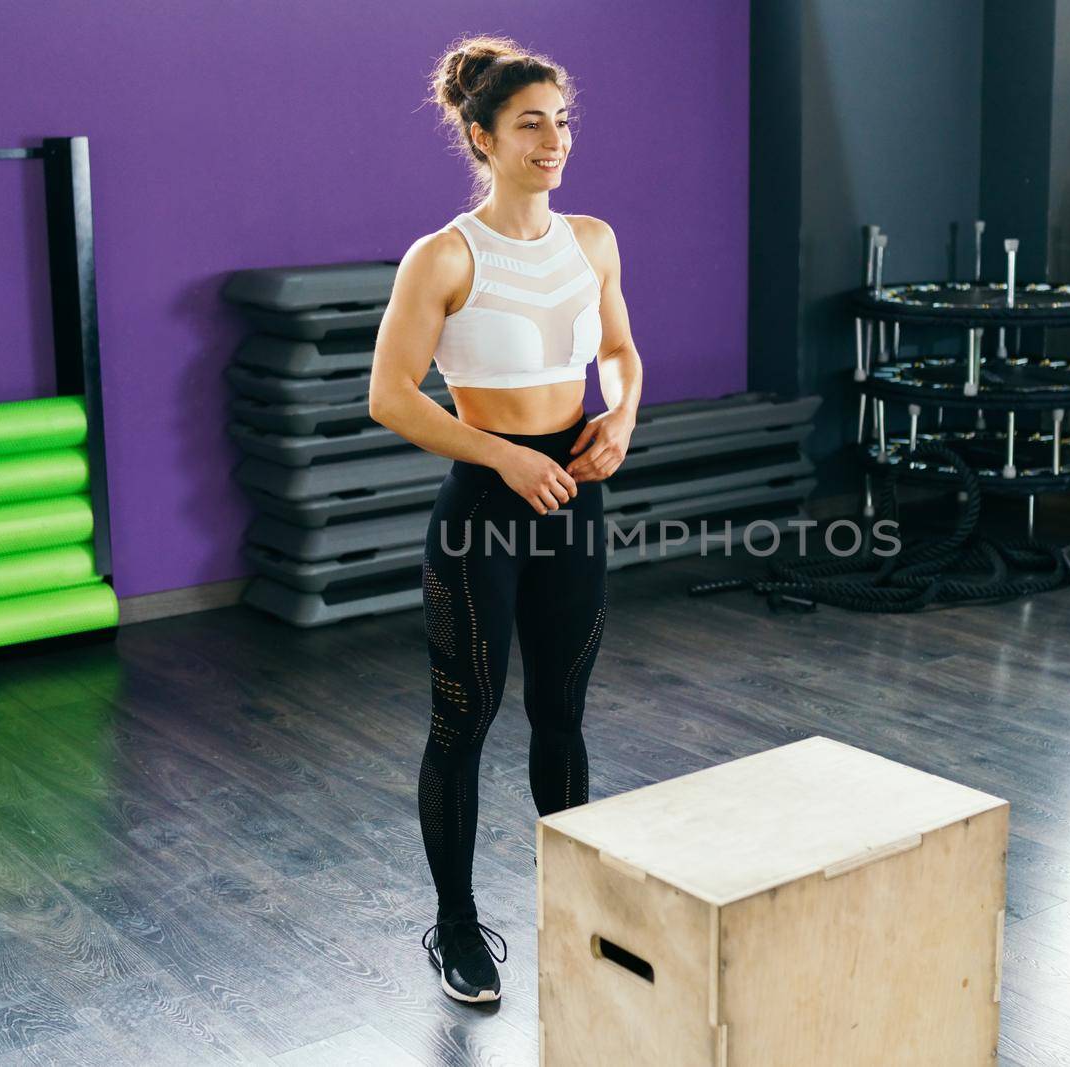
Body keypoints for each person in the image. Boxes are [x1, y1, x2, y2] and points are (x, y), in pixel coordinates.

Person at [367, 35, 643, 1003]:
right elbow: (392, 397)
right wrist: (503, 454)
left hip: (575, 493)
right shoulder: (443, 254)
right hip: (487, 503)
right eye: (530, 123)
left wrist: (619, 414)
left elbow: (617, 347)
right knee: (463, 717)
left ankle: (575, 904)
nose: (552, 139)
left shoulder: (593, 239)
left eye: (561, 120)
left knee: (561, 713)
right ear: (481, 137)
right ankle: (454, 926)